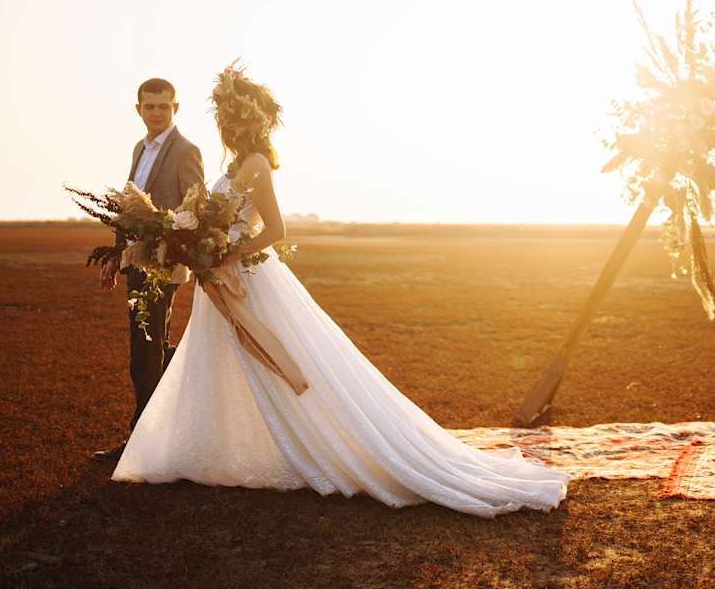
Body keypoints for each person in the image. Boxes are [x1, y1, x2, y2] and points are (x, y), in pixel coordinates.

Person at [110, 64, 569, 516]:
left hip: (246, 276)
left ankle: (320, 444)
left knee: (280, 359)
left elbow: (276, 229)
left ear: (247, 123)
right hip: (220, 279)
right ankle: (210, 449)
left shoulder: (256, 166)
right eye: (222, 119)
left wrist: (226, 255)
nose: (225, 126)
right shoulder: (233, 164)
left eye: (231, 119)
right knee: (219, 362)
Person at [93, 78, 204, 463]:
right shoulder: (140, 149)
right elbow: (129, 207)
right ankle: (164, 427)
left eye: (164, 107)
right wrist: (114, 254)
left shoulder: (187, 151)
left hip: (164, 266)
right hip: (136, 262)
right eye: (149, 107)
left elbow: (195, 211)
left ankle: (142, 441)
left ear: (176, 108)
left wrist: (170, 244)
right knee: (151, 346)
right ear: (137, 109)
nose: (156, 113)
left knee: (145, 348)